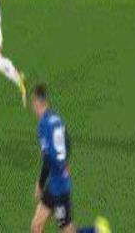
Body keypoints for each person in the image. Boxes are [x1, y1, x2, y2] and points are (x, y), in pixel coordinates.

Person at [31, 83, 111, 233]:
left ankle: (97, 230)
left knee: (68, 230)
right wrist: (64, 163)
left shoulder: (43, 125)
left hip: (59, 189)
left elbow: (47, 159)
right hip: (55, 182)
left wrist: (40, 183)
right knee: (36, 226)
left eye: (33, 103)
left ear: (37, 102)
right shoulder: (57, 119)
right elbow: (67, 142)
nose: (32, 107)